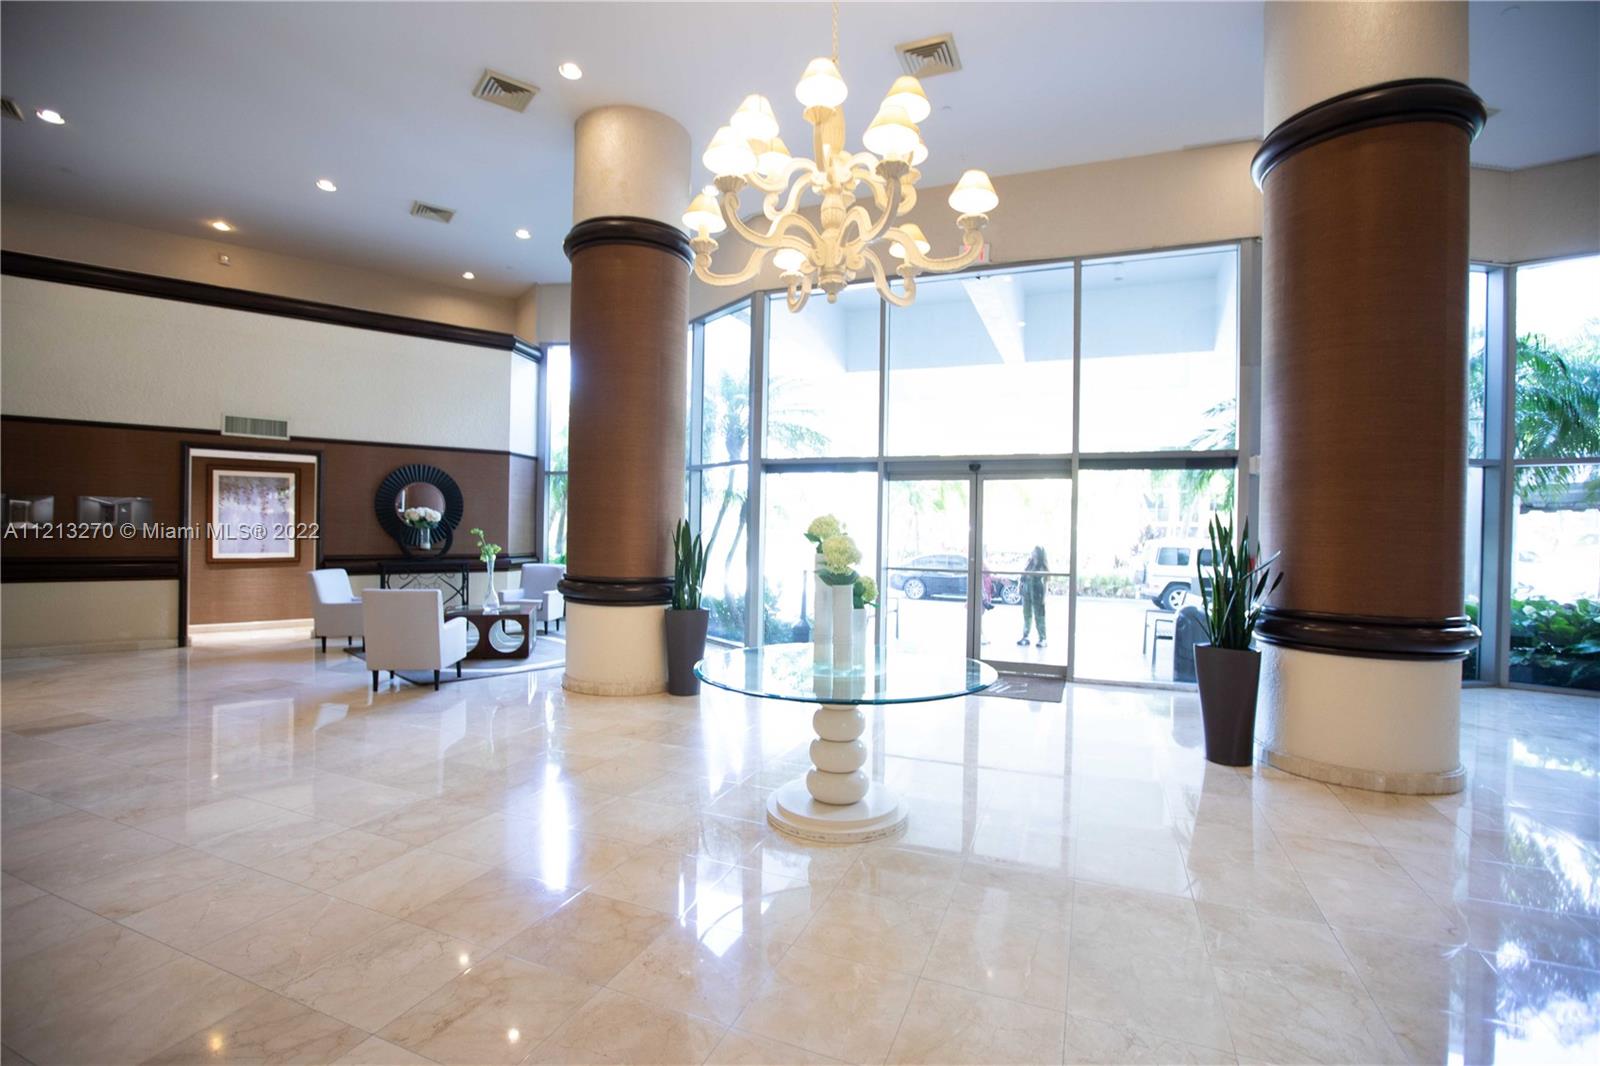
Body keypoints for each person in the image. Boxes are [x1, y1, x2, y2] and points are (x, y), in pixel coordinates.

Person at [1018, 546, 1048, 648]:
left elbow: (1046, 582)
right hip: (1027, 592)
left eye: (1035, 551)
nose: (1032, 552)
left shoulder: (1042, 565)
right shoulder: (1029, 563)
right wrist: (1020, 588)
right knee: (1027, 615)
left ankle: (1042, 638)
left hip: (1037, 592)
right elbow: (1023, 577)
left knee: (1039, 616)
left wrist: (1044, 597)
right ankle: (1025, 637)